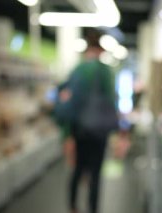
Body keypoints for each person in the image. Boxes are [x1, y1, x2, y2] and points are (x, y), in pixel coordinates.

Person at [56, 30, 118, 213]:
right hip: (100, 131)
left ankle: (73, 206)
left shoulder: (78, 70)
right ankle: (93, 209)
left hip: (80, 129)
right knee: (96, 175)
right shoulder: (106, 71)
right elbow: (111, 101)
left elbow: (67, 101)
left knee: (77, 169)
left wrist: (66, 134)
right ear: (100, 50)